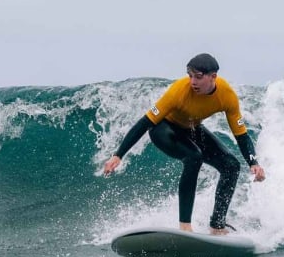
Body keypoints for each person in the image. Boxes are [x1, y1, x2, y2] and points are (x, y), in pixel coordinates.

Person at [102, 53, 266, 234]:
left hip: (191, 128)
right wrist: (118, 155)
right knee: (194, 156)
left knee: (231, 166)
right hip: (163, 129)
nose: (193, 81)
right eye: (190, 76)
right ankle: (185, 227)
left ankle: (217, 226)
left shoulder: (227, 96)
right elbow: (145, 122)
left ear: (213, 77)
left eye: (198, 77)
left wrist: (253, 163)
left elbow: (241, 135)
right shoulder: (179, 91)